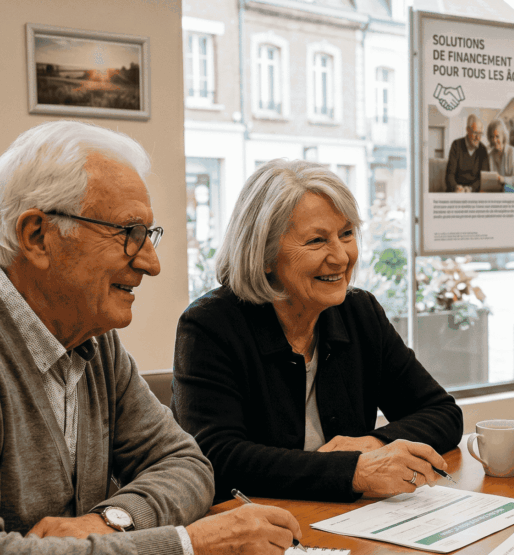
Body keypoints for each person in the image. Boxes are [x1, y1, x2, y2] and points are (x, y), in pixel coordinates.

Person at [0, 121, 302, 555]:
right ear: (37, 236)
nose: (151, 263)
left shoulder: (91, 336)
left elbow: (188, 464)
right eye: (129, 234)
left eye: (148, 235)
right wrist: (185, 551)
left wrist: (110, 523)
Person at [172, 159, 463, 504]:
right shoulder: (209, 325)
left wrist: (373, 445)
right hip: (258, 527)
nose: (341, 257)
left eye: (346, 234)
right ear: (264, 255)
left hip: (351, 524)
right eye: (316, 241)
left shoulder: (360, 312)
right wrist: (353, 470)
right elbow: (218, 457)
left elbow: (444, 414)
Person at [444, 114, 488, 192]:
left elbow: (484, 178)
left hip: (473, 192)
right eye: (475, 133)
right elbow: (450, 174)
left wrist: (471, 189)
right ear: (468, 130)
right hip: (456, 191)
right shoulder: (456, 145)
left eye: (480, 133)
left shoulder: (483, 150)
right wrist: (455, 187)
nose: (478, 138)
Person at [486, 118, 514, 190]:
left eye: (497, 136)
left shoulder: (511, 151)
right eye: (492, 137)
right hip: (498, 193)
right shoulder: (489, 156)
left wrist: (502, 179)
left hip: (513, 192)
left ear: (503, 137)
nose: (494, 140)